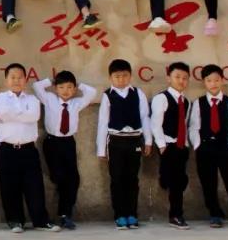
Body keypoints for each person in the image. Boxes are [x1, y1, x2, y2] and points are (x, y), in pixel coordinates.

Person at [0, 63, 59, 234]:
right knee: (9, 186)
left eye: (20, 77)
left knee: (34, 186)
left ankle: (41, 221)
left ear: (25, 79)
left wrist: (15, 115)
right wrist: (23, 114)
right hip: (6, 149)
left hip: (28, 149)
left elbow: (34, 116)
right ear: (6, 80)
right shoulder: (0, 98)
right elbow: (3, 113)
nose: (16, 80)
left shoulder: (32, 100)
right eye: (12, 77)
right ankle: (15, 220)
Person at [31, 69, 96, 229]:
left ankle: (65, 214)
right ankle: (59, 210)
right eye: (61, 87)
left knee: (73, 179)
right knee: (58, 177)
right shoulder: (49, 99)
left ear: (74, 89)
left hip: (68, 142)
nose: (65, 91)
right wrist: (51, 81)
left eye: (69, 87)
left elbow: (92, 92)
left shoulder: (76, 103)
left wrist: (78, 84)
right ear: (55, 88)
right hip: (52, 142)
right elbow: (36, 86)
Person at [188, 64, 228, 229]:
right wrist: (197, 145)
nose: (213, 84)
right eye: (209, 80)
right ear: (204, 82)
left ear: (222, 80)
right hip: (205, 147)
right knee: (208, 183)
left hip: (224, 146)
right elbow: (194, 126)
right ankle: (215, 214)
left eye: (216, 80)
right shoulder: (199, 103)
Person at [96, 59, 152, 230]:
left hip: (134, 140)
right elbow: (103, 122)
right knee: (117, 178)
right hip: (115, 141)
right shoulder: (107, 95)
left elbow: (145, 117)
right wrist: (101, 149)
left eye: (124, 76)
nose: (121, 79)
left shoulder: (138, 93)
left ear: (130, 76)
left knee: (132, 179)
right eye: (117, 76)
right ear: (110, 77)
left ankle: (132, 214)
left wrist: (148, 141)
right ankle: (120, 215)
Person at [150, 62, 192, 230]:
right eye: (177, 77)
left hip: (181, 145)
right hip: (168, 145)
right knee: (176, 181)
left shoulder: (186, 101)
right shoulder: (161, 98)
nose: (181, 81)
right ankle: (176, 215)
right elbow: (156, 123)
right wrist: (162, 145)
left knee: (179, 180)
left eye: (184, 78)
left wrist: (186, 144)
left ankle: (165, 180)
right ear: (169, 78)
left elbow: (184, 124)